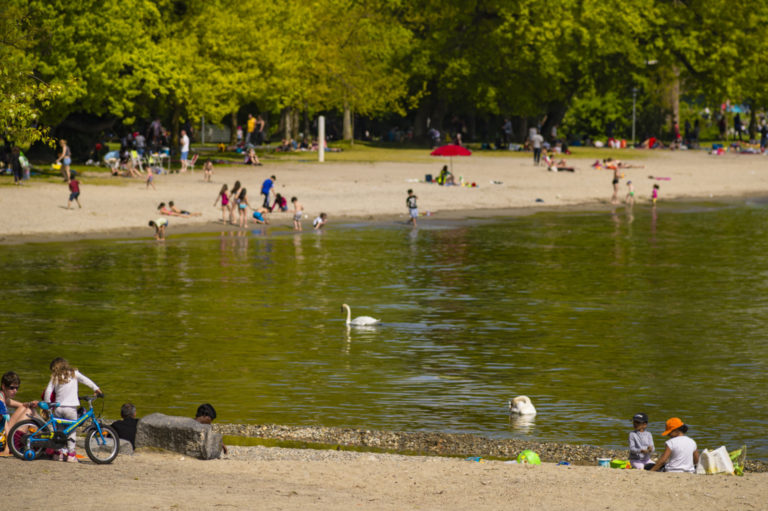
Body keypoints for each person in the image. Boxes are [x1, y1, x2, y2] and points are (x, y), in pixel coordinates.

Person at [43, 358, 102, 462]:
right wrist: (96, 389)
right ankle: (70, 454)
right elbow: (86, 380)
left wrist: (48, 405)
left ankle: (58, 454)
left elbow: (48, 391)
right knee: (71, 430)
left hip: (58, 408)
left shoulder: (55, 376)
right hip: (71, 408)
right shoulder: (74, 373)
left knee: (59, 431)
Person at [1, 371, 39, 456]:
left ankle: (43, 436)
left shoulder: (4, 397)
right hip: (3, 439)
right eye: (12, 388)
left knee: (27, 408)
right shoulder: (0, 401)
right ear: (3, 386)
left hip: (6, 435)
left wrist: (31, 403)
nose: (15, 391)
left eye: (17, 388)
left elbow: (22, 405)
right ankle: (44, 438)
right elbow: (6, 425)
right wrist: (8, 449)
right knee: (29, 411)